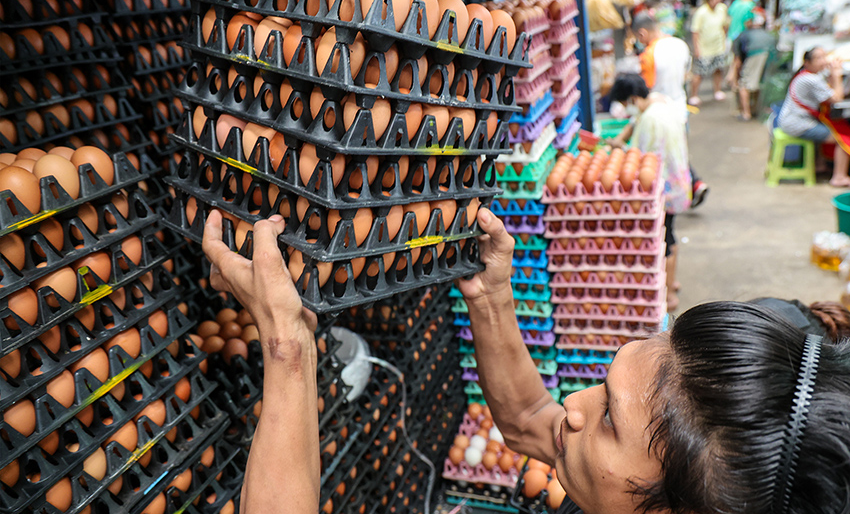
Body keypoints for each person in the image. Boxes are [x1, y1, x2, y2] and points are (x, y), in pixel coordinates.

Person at [201, 209, 850, 514]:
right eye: (601, 386)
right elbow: (527, 419)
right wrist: (492, 298)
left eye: (608, 422)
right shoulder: (616, 485)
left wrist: (287, 349)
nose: (575, 405)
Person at [609, 74, 691, 310]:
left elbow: (640, 157)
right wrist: (621, 137)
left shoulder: (651, 120)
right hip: (677, 178)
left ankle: (669, 295)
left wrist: (620, 150)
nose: (627, 109)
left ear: (634, 98)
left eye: (626, 104)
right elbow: (635, 124)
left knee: (667, 237)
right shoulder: (659, 100)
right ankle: (671, 282)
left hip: (666, 187)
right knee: (670, 232)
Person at [633, 12, 709, 209]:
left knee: (659, 162)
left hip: (658, 114)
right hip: (679, 109)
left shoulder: (649, 54)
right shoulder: (680, 45)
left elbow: (646, 87)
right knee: (679, 154)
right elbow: (686, 74)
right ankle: (691, 187)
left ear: (642, 34)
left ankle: (670, 200)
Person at [778, 46, 850, 186]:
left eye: (824, 56)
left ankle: (820, 164)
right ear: (807, 63)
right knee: (842, 138)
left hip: (793, 121)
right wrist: (836, 74)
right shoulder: (811, 79)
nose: (824, 61)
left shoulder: (809, 75)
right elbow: (837, 98)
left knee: (832, 127)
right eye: (819, 58)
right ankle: (839, 177)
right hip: (797, 124)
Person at [725, 7, 774, 121]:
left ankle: (746, 113)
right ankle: (755, 109)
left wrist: (734, 76)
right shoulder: (768, 35)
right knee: (758, 84)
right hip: (769, 60)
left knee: (744, 85)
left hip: (754, 57)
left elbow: (737, 60)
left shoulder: (743, 35)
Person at [689, 0, 728, 106]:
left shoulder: (722, 9)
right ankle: (694, 95)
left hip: (718, 46)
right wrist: (697, 48)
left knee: (718, 69)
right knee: (699, 73)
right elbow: (695, 31)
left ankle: (717, 90)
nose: (716, 1)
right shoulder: (701, 12)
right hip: (704, 48)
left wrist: (723, 38)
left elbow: (725, 24)